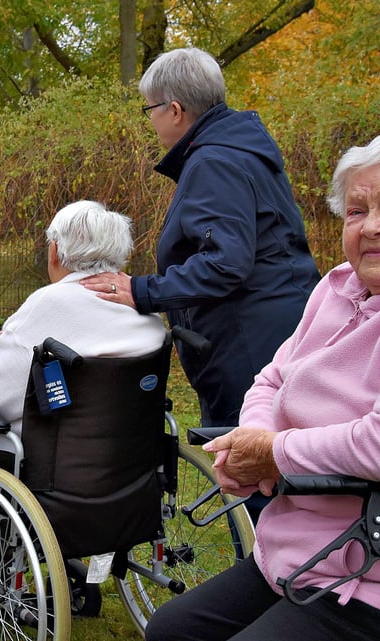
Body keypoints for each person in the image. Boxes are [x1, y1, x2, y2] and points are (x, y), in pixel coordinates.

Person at [144, 131, 380, 641]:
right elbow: (273, 378)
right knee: (171, 631)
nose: (373, 227)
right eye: (356, 211)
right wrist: (249, 444)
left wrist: (275, 453)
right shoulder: (340, 284)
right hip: (308, 551)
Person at [82, 47, 320, 428]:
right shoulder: (240, 151)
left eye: (150, 110)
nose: (151, 121)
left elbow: (226, 262)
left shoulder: (215, 162)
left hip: (250, 348)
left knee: (252, 472)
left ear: (174, 111)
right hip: (276, 331)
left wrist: (140, 292)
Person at [0, 200, 167, 492]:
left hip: (52, 471)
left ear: (55, 251)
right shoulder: (145, 310)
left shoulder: (49, 305)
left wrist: (4, 344)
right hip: (127, 469)